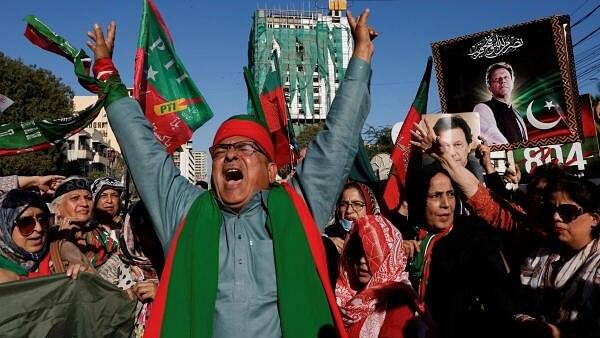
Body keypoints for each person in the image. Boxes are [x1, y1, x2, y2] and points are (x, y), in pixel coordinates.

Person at [86, 8, 377, 338]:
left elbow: (338, 138)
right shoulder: (185, 210)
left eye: (246, 148)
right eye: (221, 150)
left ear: (270, 170)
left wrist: (361, 58)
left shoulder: (299, 206)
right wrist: (107, 73)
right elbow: (144, 152)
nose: (231, 155)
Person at [405, 164, 515, 338]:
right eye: (435, 196)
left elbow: (499, 298)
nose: (446, 204)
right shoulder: (406, 236)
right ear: (419, 199)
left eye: (450, 194)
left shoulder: (474, 235)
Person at [335, 214, 422, 338]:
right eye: (357, 253)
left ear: (386, 256)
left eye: (371, 255)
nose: (361, 261)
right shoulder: (343, 295)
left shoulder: (398, 302)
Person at [0, 189, 89, 282]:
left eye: (43, 220)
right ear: (4, 228)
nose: (39, 228)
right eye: (26, 223)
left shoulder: (57, 251)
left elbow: (64, 248)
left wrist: (77, 261)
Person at [50, 176, 118, 270]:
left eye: (88, 198)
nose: (84, 204)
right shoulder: (46, 239)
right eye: (75, 198)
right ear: (57, 208)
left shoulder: (100, 233)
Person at [473, 62, 528, 144]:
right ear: (489, 87)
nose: (502, 81)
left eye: (506, 77)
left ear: (512, 82)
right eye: (496, 79)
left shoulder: (517, 114)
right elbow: (494, 140)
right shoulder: (482, 108)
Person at [91, 176, 125, 240]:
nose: (109, 201)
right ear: (95, 201)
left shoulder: (128, 226)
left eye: (114, 195)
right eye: (103, 196)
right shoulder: (88, 230)